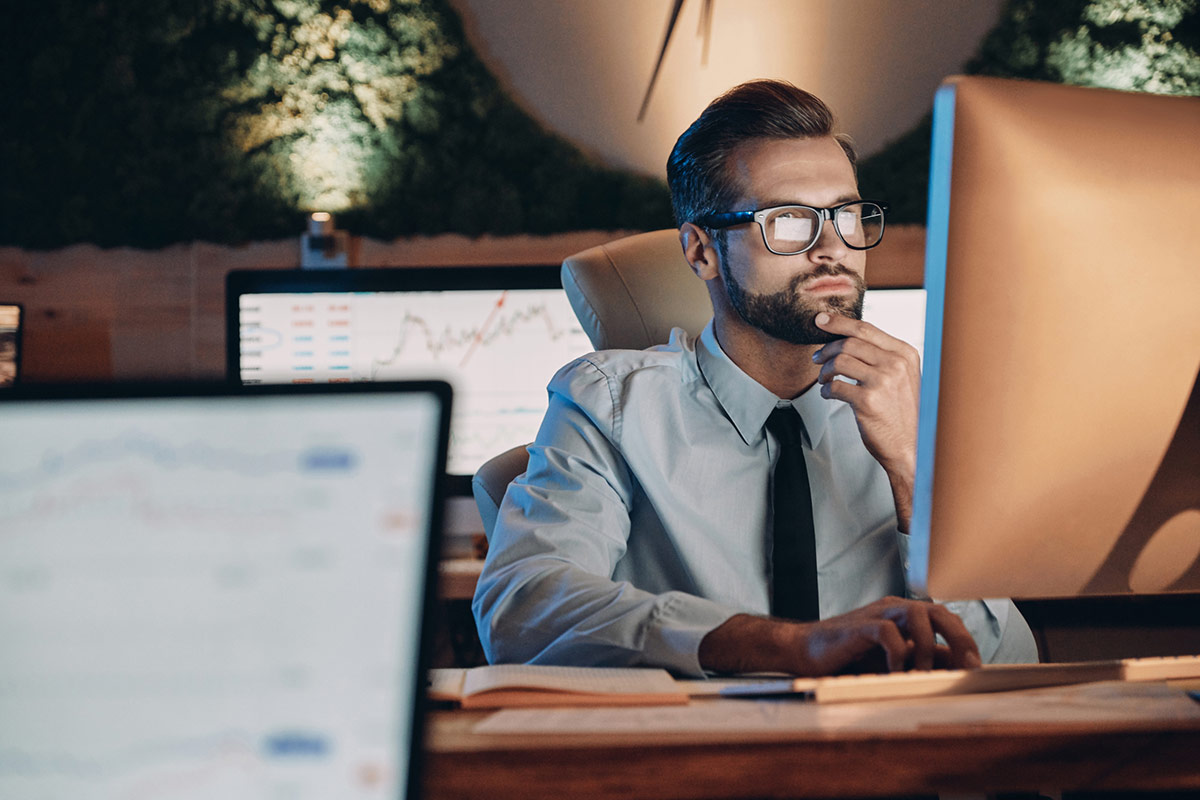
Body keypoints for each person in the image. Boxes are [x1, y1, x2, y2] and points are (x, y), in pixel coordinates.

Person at [473, 79, 1037, 677]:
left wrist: (913, 471)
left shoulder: (914, 408)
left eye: (846, 214)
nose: (832, 247)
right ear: (701, 252)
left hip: (890, 754)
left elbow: (1009, 667)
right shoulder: (611, 404)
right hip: (700, 758)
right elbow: (522, 607)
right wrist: (788, 647)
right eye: (789, 220)